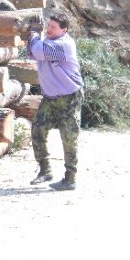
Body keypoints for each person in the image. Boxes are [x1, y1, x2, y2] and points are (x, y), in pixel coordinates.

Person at [28, 12, 84, 191]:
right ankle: (45, 170)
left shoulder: (63, 45)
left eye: (53, 27)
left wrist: (34, 34)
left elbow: (37, 49)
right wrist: (36, 37)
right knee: (38, 129)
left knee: (69, 137)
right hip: (50, 97)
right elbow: (31, 52)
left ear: (64, 30)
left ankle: (70, 179)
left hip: (69, 98)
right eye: (48, 26)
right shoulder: (48, 42)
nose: (49, 30)